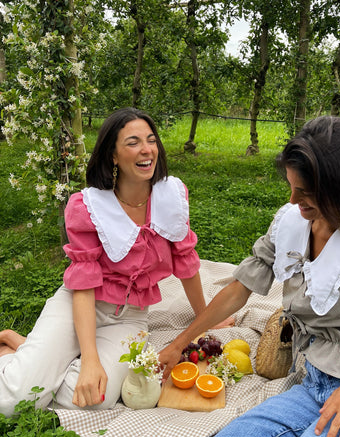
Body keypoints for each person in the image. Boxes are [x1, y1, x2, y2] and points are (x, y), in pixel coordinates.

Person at [158, 116, 340, 437]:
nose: (294, 201)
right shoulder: (294, 224)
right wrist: (179, 343)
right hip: (316, 384)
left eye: (306, 191)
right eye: (291, 186)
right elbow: (240, 287)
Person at [0, 107, 232, 417]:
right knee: (14, 403)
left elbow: (186, 264)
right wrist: (91, 359)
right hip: (80, 307)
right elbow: (83, 285)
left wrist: (206, 316)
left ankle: (32, 352)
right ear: (113, 155)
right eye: (133, 142)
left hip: (129, 319)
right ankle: (19, 354)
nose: (146, 149)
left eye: (151, 140)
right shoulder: (89, 207)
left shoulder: (171, 197)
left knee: (96, 397)